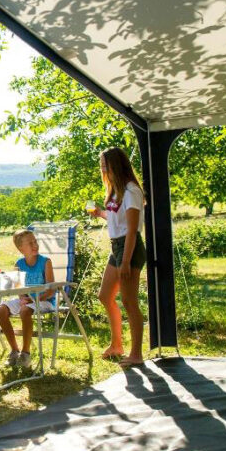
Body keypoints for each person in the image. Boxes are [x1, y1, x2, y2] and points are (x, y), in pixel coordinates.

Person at [88, 147, 147, 368]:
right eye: (101, 165)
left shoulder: (132, 191)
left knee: (129, 302)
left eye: (105, 164)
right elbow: (116, 219)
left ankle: (136, 354)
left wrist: (125, 262)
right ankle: (117, 345)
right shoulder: (115, 190)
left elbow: (132, 230)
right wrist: (100, 214)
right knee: (105, 295)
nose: (102, 169)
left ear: (116, 165)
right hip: (117, 247)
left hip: (129, 248)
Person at [0, 229, 55, 369]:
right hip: (27, 300)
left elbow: (51, 290)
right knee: (1, 310)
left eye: (35, 241)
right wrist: (22, 297)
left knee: (25, 311)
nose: (35, 245)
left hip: (45, 300)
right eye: (30, 243)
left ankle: (26, 354)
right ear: (20, 248)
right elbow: (18, 288)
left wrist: (36, 299)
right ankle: (14, 351)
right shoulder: (18, 264)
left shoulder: (46, 262)